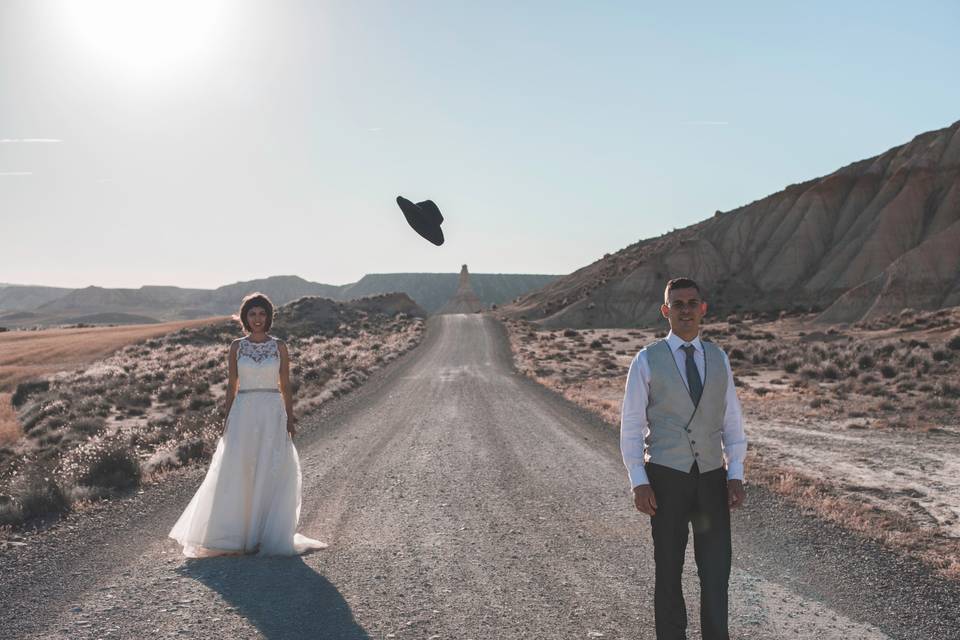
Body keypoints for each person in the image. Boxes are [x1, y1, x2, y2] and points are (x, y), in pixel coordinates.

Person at [620, 277, 747, 640]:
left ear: (703, 308)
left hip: (711, 478)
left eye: (693, 303)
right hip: (666, 478)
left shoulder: (719, 358)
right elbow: (631, 425)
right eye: (678, 304)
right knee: (669, 571)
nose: (686, 310)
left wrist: (734, 473)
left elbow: (732, 421)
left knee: (716, 570)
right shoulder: (646, 360)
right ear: (666, 311)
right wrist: (638, 481)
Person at [169, 292, 327, 557]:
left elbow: (285, 385)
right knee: (239, 467)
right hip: (243, 413)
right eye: (252, 314)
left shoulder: (279, 346)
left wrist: (289, 416)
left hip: (271, 411)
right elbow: (233, 385)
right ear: (245, 317)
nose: (257, 319)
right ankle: (235, 535)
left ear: (268, 317)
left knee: (270, 467)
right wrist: (227, 418)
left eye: (262, 314)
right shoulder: (236, 347)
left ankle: (263, 533)